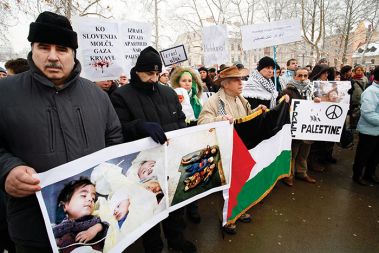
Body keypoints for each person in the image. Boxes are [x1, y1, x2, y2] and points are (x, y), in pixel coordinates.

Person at [0, 11, 123, 252]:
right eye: (44, 47)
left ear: (74, 53)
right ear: (32, 49)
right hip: (34, 230)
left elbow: (115, 143)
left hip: (93, 224)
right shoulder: (4, 93)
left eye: (62, 49)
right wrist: (7, 170)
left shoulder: (97, 96)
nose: (53, 57)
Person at [111, 46, 196, 253]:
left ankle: (177, 241)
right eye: (149, 73)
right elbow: (118, 128)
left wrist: (182, 136)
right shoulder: (121, 96)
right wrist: (139, 126)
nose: (154, 78)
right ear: (137, 71)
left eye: (157, 74)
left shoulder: (168, 92)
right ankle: (153, 246)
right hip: (143, 166)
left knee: (175, 205)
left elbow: (179, 119)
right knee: (148, 208)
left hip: (170, 159)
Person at [197, 66, 276, 234]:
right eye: (237, 80)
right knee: (227, 185)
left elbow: (246, 117)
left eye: (241, 79)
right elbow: (202, 122)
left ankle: (238, 211)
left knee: (241, 181)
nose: (241, 83)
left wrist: (257, 111)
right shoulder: (214, 101)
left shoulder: (240, 98)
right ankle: (226, 219)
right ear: (225, 84)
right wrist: (220, 119)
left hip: (241, 147)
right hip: (225, 150)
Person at [279, 68, 317, 186]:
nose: (303, 78)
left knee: (304, 153)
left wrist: (318, 101)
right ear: (294, 77)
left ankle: (301, 172)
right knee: (292, 153)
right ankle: (288, 175)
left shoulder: (312, 90)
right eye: (300, 76)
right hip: (294, 128)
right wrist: (284, 100)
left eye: (305, 76)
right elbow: (279, 105)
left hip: (307, 127)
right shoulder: (288, 91)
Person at [53, 178, 109, 252]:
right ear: (65, 206)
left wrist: (94, 229)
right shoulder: (62, 227)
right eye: (84, 195)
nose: (90, 199)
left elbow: (106, 225)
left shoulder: (93, 220)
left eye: (93, 198)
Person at [352, 66, 379, 186]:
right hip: (369, 131)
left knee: (375, 156)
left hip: (376, 131)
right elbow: (368, 114)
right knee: (363, 156)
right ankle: (357, 176)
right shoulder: (371, 92)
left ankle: (369, 174)